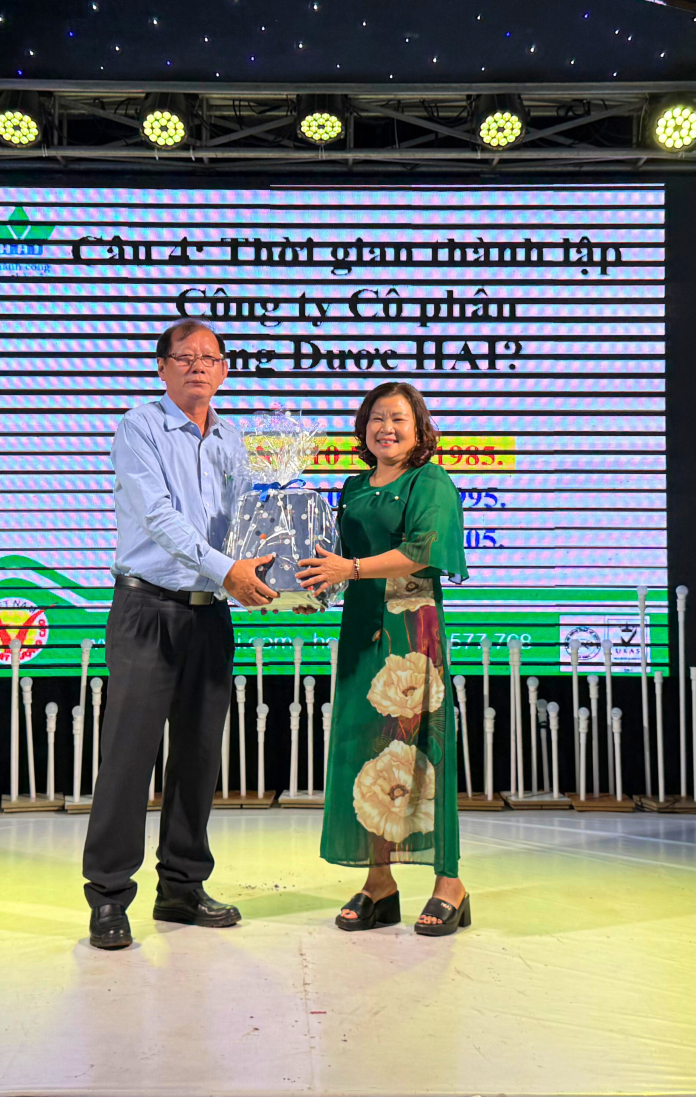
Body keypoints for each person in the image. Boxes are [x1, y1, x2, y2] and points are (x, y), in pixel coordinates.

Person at [83, 319, 278, 951]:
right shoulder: (139, 427)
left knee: (198, 757)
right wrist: (229, 570)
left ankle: (182, 887)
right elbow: (159, 517)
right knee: (129, 757)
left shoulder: (231, 437)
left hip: (210, 613)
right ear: (162, 366)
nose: (199, 366)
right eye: (185, 356)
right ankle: (109, 896)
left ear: (224, 370)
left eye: (210, 357)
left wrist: (275, 563)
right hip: (148, 608)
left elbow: (241, 522)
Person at [296, 381, 472, 936]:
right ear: (363, 427)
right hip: (360, 632)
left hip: (411, 633)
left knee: (422, 752)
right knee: (365, 753)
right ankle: (379, 883)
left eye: (398, 418)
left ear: (419, 428)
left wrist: (348, 570)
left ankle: (450, 884)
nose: (386, 428)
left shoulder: (429, 480)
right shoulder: (352, 486)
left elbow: (422, 551)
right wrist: (306, 590)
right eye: (376, 418)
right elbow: (339, 560)